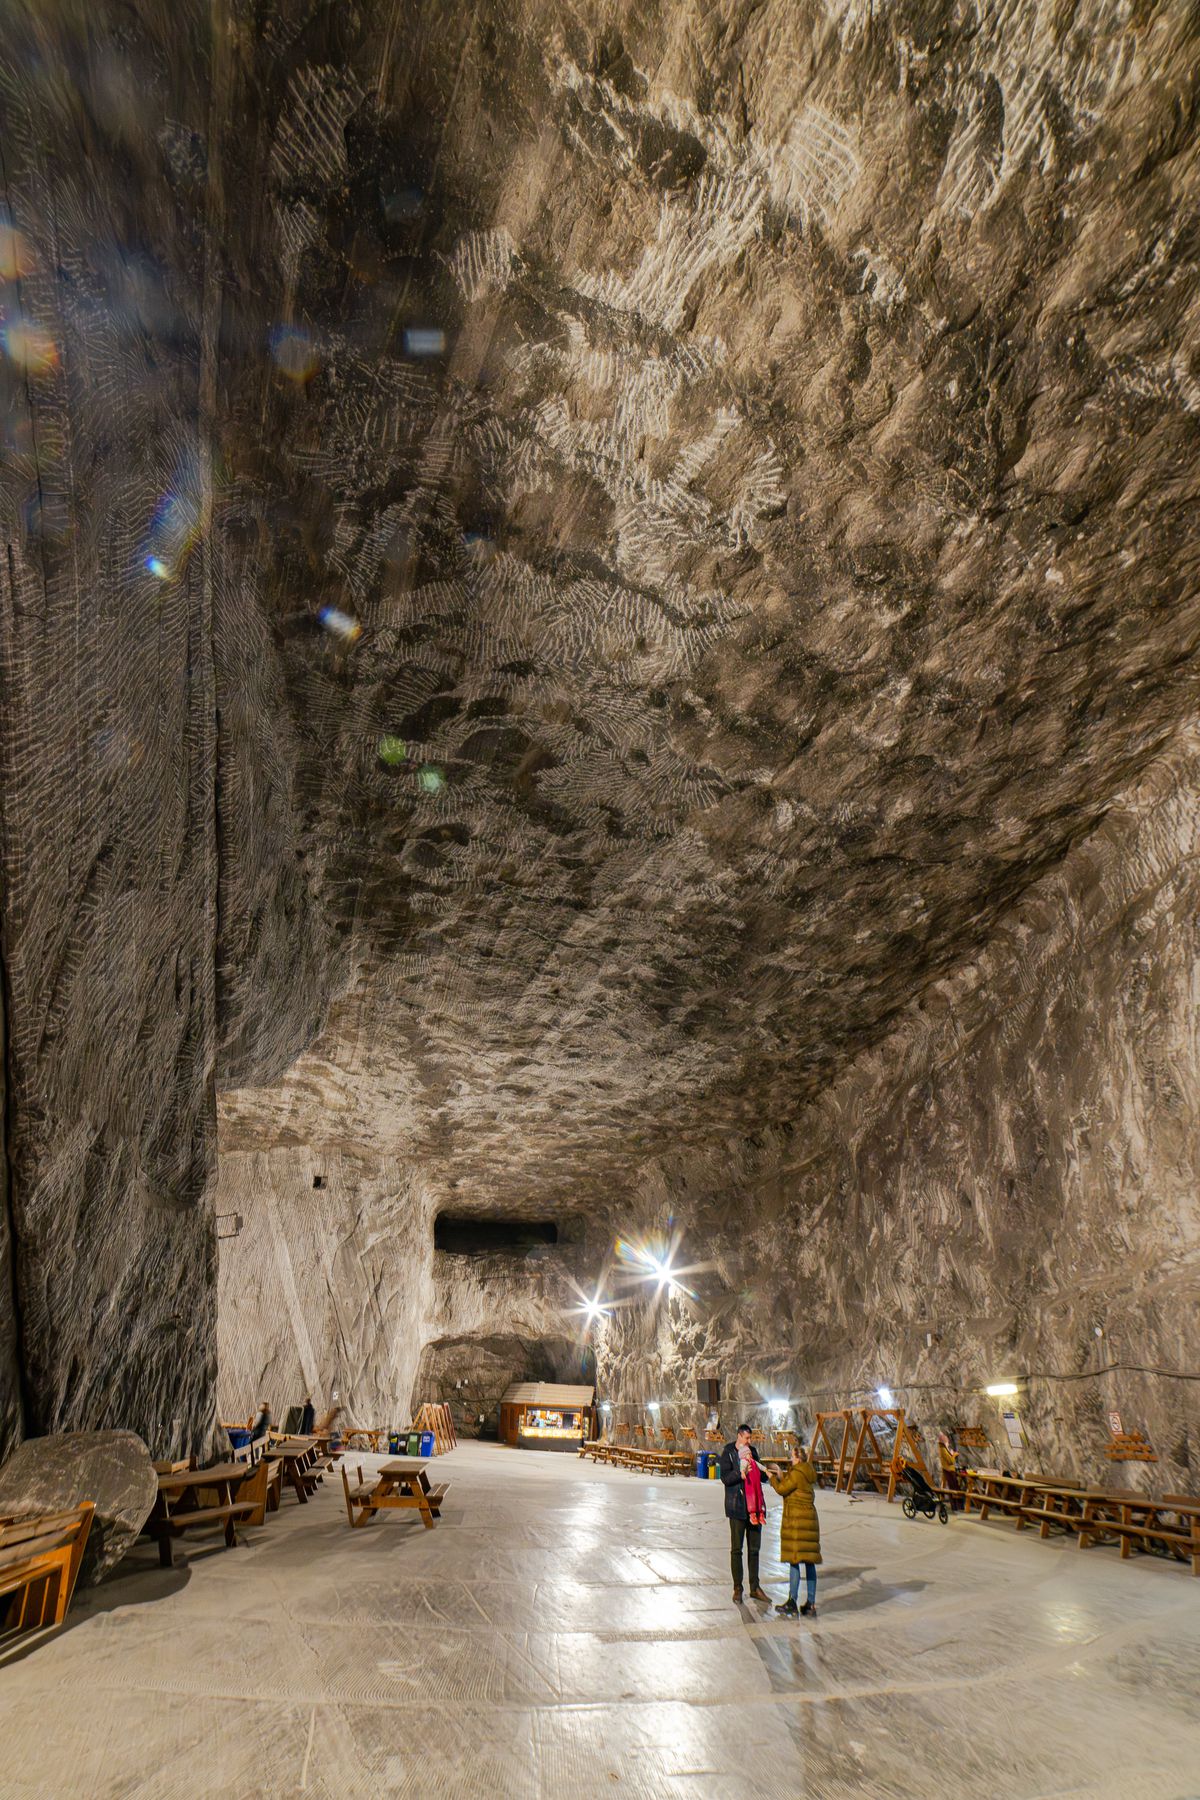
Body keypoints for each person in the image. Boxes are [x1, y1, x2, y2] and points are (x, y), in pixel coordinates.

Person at [767, 1440, 822, 1618]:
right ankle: (811, 1604)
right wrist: (782, 1474)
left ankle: (792, 1601)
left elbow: (783, 1489)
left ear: (798, 1459)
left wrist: (772, 1478)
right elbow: (793, 1486)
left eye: (792, 1456)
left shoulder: (797, 1473)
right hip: (810, 1521)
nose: (791, 1459)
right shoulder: (807, 1472)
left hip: (797, 1522)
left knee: (795, 1561)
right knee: (810, 1562)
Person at [719, 1423, 771, 1604]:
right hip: (737, 1507)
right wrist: (740, 1474)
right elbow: (725, 1478)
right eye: (746, 1438)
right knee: (736, 1550)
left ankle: (755, 1587)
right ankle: (737, 1588)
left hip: (755, 1506)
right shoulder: (728, 1452)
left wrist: (767, 1472)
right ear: (739, 1436)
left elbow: (761, 1475)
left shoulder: (753, 1451)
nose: (749, 1441)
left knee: (754, 1550)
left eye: (750, 1438)